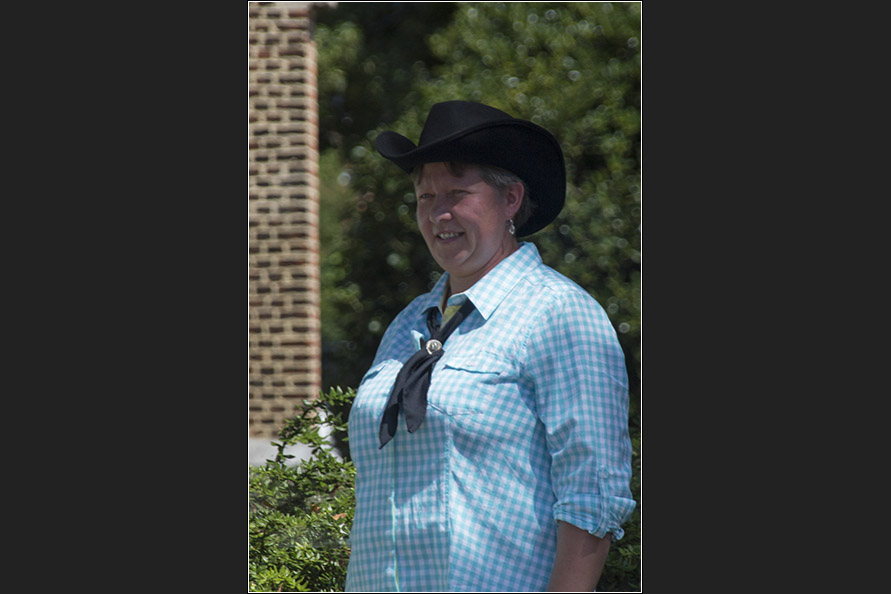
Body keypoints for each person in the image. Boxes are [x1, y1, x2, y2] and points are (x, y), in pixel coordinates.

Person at [344, 100, 636, 592]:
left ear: (511, 199)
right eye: (425, 196)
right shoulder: (408, 323)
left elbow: (593, 496)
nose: (439, 213)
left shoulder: (558, 314)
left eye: (458, 193)